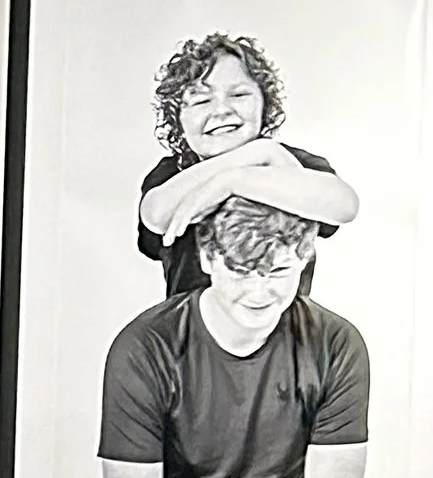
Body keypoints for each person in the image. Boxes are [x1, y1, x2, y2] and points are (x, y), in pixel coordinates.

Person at [99, 198, 369, 478]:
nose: (258, 293)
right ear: (207, 259)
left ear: (305, 259)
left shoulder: (336, 344)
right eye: (240, 272)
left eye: (278, 271)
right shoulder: (144, 346)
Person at [136, 33, 357, 299]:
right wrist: (256, 155)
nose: (221, 110)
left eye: (239, 94)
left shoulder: (296, 164)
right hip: (194, 324)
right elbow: (157, 216)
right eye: (201, 100)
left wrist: (235, 181)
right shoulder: (174, 172)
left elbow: (345, 206)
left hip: (282, 323)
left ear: (265, 104)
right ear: (177, 120)